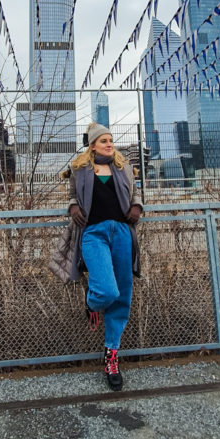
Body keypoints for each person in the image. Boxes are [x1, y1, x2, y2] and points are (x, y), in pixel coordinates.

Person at [67, 122, 143, 391]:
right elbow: (71, 196)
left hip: (122, 233)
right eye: (103, 141)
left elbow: (136, 194)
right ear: (92, 145)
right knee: (107, 291)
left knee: (122, 296)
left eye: (111, 140)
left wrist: (136, 206)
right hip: (94, 234)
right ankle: (92, 301)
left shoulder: (123, 169)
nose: (110, 144)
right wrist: (73, 205)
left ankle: (112, 356)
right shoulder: (80, 170)